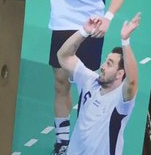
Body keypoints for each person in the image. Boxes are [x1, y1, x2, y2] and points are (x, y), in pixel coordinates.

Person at [16, 0, 128, 155]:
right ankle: (62, 143)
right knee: (59, 82)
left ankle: (85, 141)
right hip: (62, 22)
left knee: (87, 85)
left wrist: (108, 17)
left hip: (90, 26)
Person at [55, 12, 141, 155]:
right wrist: (84, 31)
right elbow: (63, 56)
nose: (102, 66)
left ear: (120, 74)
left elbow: (131, 82)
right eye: (105, 61)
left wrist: (125, 41)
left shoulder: (121, 101)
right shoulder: (90, 81)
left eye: (109, 64)